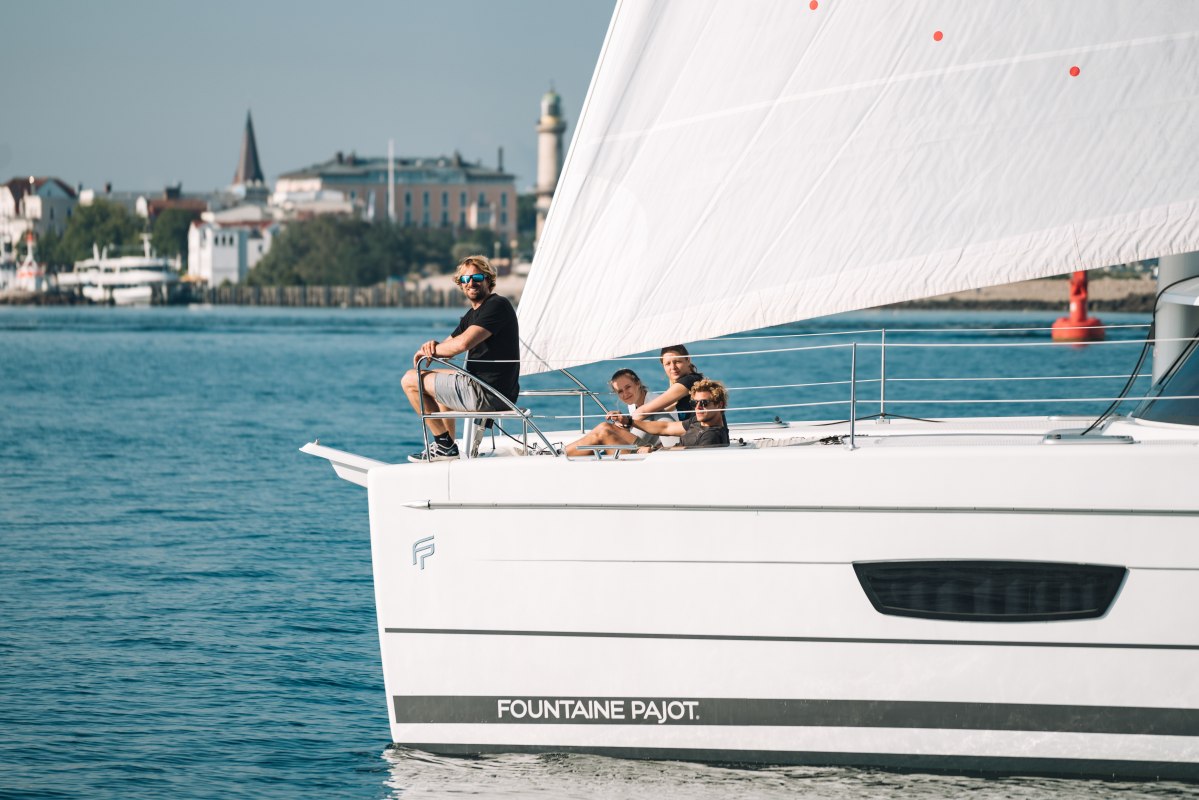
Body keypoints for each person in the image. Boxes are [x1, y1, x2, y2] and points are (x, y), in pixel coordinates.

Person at [400, 255, 519, 462]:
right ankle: (448, 448)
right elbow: (449, 346)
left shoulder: (497, 305)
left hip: (488, 393)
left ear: (488, 280)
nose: (470, 283)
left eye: (477, 277)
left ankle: (443, 444)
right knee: (437, 378)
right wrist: (432, 347)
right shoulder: (473, 315)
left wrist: (432, 351)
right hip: (488, 389)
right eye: (465, 279)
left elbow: (462, 344)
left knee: (410, 380)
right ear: (460, 284)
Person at [564, 368, 676, 457]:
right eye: (620, 391)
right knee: (603, 429)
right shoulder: (633, 404)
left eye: (628, 387)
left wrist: (625, 424)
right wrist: (624, 425)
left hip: (650, 452)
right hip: (641, 447)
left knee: (604, 430)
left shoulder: (655, 402)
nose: (625, 394)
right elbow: (638, 429)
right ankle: (563, 452)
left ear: (638, 383)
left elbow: (671, 438)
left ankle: (562, 453)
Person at [627, 379, 731, 449]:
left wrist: (653, 451)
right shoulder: (698, 421)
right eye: (694, 403)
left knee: (617, 436)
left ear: (719, 405)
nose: (698, 407)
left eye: (704, 403)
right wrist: (629, 422)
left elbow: (687, 460)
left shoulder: (711, 436)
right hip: (667, 454)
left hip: (670, 463)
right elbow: (665, 427)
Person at [619, 344, 705, 423]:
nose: (673, 367)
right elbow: (666, 408)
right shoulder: (692, 379)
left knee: (653, 415)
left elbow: (644, 411)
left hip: (696, 432)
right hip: (690, 431)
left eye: (677, 362)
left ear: (688, 360)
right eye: (668, 364)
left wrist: (625, 422)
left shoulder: (689, 381)